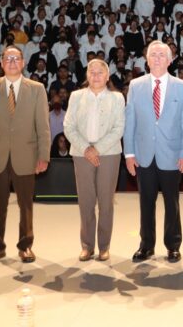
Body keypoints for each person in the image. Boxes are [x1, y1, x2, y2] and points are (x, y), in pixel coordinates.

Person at [0, 46, 50, 265]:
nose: (12, 62)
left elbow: (43, 126)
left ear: (23, 62)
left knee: (26, 204)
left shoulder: (37, 89)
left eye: (16, 58)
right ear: (1, 62)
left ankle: (25, 246)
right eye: (8, 58)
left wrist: (43, 155)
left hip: (26, 154)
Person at [124, 41, 183, 264]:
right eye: (153, 54)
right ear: (146, 59)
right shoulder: (135, 85)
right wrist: (129, 154)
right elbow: (130, 121)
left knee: (172, 203)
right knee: (146, 203)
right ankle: (146, 246)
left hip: (172, 155)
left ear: (170, 60)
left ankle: (173, 245)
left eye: (162, 55)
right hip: (143, 155)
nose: (156, 58)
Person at [63, 59, 126, 262]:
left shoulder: (117, 98)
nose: (96, 75)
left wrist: (96, 149)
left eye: (100, 72)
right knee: (86, 202)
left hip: (108, 154)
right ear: (86, 75)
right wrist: (86, 149)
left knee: (106, 202)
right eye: (92, 72)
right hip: (82, 155)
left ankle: (104, 246)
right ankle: (87, 246)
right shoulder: (76, 96)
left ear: (107, 76)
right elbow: (69, 126)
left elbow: (119, 128)